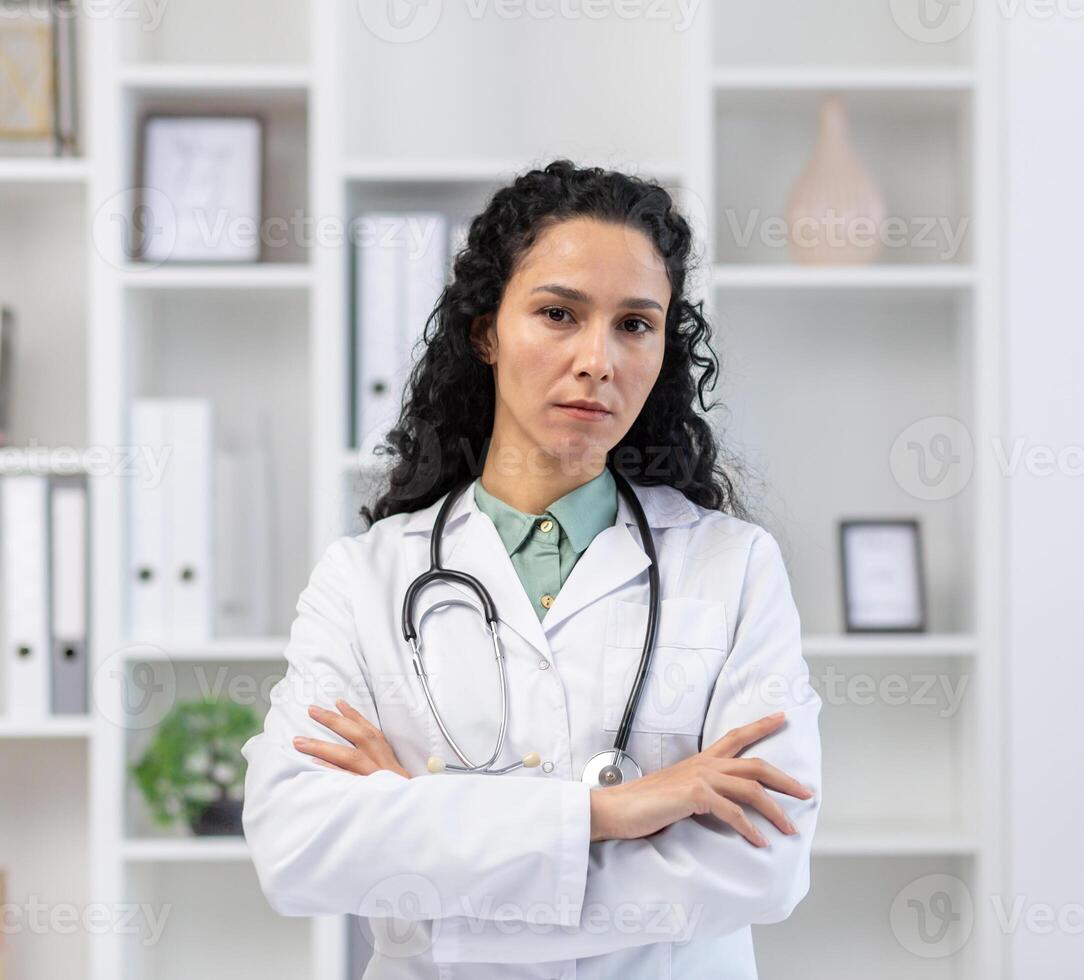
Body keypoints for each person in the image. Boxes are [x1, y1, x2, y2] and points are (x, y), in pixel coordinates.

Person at [240, 160, 823, 979]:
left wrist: (435, 866)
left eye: (634, 324)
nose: (598, 359)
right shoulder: (363, 579)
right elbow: (296, 844)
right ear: (486, 330)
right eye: (558, 313)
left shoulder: (734, 567)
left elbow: (761, 866)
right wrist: (609, 813)